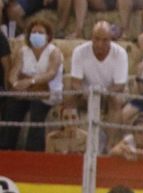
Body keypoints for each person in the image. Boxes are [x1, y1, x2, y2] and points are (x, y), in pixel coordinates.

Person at [1, 20, 63, 153]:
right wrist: (16, 84)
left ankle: (33, 151)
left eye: (40, 33)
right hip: (26, 92)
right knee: (12, 106)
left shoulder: (54, 52)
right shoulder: (23, 51)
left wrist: (30, 81)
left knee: (37, 107)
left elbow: (50, 74)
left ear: (48, 36)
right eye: (34, 32)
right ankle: (5, 148)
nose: (36, 35)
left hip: (48, 93)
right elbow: (13, 74)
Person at [68, 21, 127, 123]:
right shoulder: (79, 51)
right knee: (68, 91)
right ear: (91, 37)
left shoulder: (120, 53)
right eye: (97, 39)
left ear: (111, 39)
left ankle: (112, 138)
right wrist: (89, 95)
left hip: (109, 94)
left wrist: (102, 94)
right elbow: (75, 82)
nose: (100, 44)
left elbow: (120, 85)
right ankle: (73, 135)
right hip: (85, 94)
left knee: (116, 99)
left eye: (105, 40)